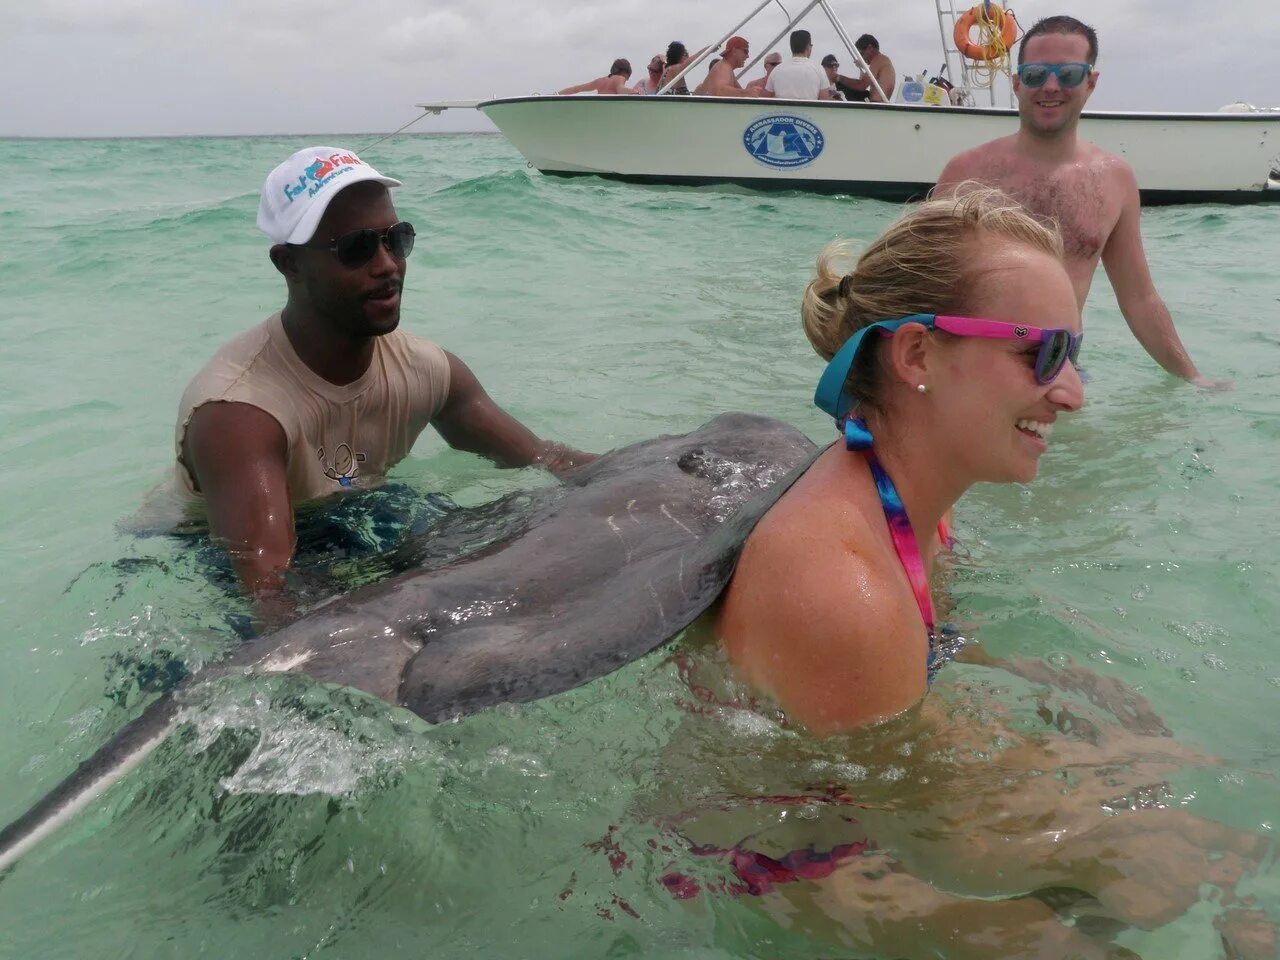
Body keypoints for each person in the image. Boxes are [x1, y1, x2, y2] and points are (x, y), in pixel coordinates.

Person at [717, 187, 1085, 732]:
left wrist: (1033, 675)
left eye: (1073, 352)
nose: (1072, 393)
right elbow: (897, 813)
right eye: (1042, 352)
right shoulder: (847, 597)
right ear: (917, 355)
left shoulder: (926, 505)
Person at [173, 146, 594, 621]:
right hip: (212, 561)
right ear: (288, 264)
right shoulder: (240, 413)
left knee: (528, 524)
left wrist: (660, 478)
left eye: (396, 239)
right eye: (356, 248)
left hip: (355, 515)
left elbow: (548, 460)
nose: (387, 264)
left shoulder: (425, 369)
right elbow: (271, 593)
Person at [935, 16, 1225, 387]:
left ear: (1091, 82)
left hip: (1060, 363)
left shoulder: (1116, 180)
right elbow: (924, 281)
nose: (1051, 86)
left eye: (1069, 74)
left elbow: (1139, 299)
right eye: (1036, 73)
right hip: (972, 360)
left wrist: (1192, 377)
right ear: (1017, 82)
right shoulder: (966, 171)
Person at [762, 30, 831, 100]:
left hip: (783, 110)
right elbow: (824, 101)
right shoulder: (819, 69)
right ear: (808, 47)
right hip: (808, 110)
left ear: (792, 47)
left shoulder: (777, 70)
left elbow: (764, 99)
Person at [842, 34, 896, 102]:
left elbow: (861, 85)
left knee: (841, 85)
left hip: (877, 104)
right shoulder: (881, 62)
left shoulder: (879, 60)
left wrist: (839, 77)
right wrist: (862, 68)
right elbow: (863, 83)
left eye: (861, 54)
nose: (861, 58)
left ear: (870, 48)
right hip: (876, 103)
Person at [558, 58, 638, 95]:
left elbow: (577, 88)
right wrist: (636, 92)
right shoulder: (620, 78)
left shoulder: (600, 81)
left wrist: (557, 94)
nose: (626, 80)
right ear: (625, 72)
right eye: (627, 77)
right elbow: (621, 89)